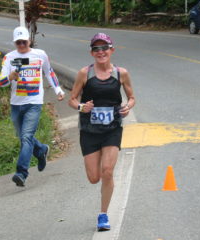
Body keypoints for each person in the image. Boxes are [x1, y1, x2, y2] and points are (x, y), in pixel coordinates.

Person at [68, 33, 135, 231]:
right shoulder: (84, 74)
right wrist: (81, 107)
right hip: (89, 130)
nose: (101, 52)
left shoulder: (121, 73)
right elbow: (72, 99)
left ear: (112, 50)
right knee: (94, 177)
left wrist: (127, 107)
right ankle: (102, 208)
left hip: (112, 129)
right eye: (96, 49)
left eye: (104, 48)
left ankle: (103, 215)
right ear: (91, 53)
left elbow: (131, 97)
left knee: (107, 171)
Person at [0, 26, 65, 187]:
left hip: (34, 102)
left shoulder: (40, 55)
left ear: (30, 40)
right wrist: (10, 77)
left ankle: (21, 173)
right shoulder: (9, 58)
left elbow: (49, 72)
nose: (21, 45)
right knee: (23, 137)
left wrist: (58, 90)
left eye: (24, 41)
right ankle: (41, 150)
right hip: (16, 104)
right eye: (18, 42)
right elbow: (1, 82)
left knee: (26, 137)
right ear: (14, 42)